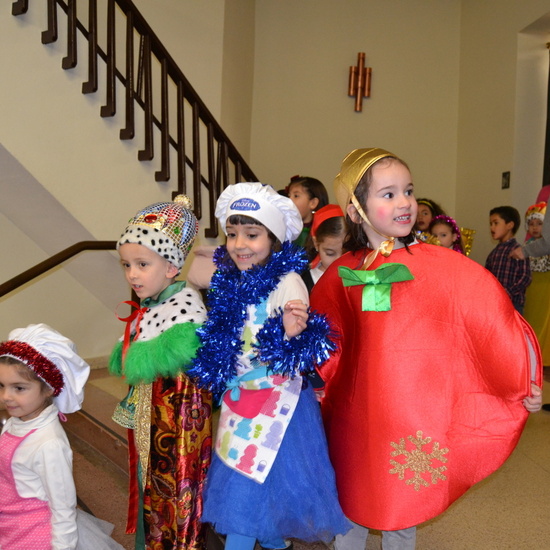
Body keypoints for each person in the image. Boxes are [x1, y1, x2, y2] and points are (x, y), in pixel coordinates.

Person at [310, 148, 542, 550]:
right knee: (351, 498)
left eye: (409, 190)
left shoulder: (441, 267)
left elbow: (492, 320)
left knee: (403, 501)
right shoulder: (341, 274)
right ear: (355, 210)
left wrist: (522, 378)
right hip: (355, 411)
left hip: (411, 412)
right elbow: (324, 338)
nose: (405, 202)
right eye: (388, 194)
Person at [187, 182, 350, 550]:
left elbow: (301, 353)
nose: (239, 244)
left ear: (274, 238)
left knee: (246, 495)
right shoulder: (231, 280)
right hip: (239, 400)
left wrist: (291, 335)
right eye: (232, 234)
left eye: (252, 234)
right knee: (256, 489)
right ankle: (278, 544)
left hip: (277, 405)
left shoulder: (289, 281)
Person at [109, 195, 212, 549]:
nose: (132, 274)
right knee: (147, 490)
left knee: (169, 497)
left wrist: (137, 358)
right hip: (150, 430)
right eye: (126, 265)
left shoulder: (184, 309)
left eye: (141, 264)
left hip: (172, 438)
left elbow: (182, 396)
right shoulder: (153, 304)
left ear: (171, 266)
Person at [0, 323, 124, 550]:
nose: (6, 396)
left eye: (19, 388)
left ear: (49, 388)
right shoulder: (16, 422)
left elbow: (64, 507)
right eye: (2, 386)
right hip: (10, 520)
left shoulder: (49, 444)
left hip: (34, 534)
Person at [485, 206, 531, 314]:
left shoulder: (518, 250)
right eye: (490, 224)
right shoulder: (493, 253)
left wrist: (507, 292)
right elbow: (487, 277)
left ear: (510, 225)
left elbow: (525, 277)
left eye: (496, 223)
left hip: (513, 304)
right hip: (495, 303)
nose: (492, 228)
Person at [523, 202, 550, 366]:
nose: (535, 228)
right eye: (531, 224)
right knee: (531, 318)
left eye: (539, 223)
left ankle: (544, 355)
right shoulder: (527, 246)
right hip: (532, 287)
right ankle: (532, 351)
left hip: (546, 286)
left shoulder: (546, 247)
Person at [302, 204, 347, 292]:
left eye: (346, 254)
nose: (338, 262)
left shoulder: (361, 278)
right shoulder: (304, 282)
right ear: (316, 243)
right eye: (330, 253)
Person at [286, 175, 329, 249]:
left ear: (313, 203)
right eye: (289, 196)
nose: (289, 200)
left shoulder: (322, 233)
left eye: (296, 196)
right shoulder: (286, 228)